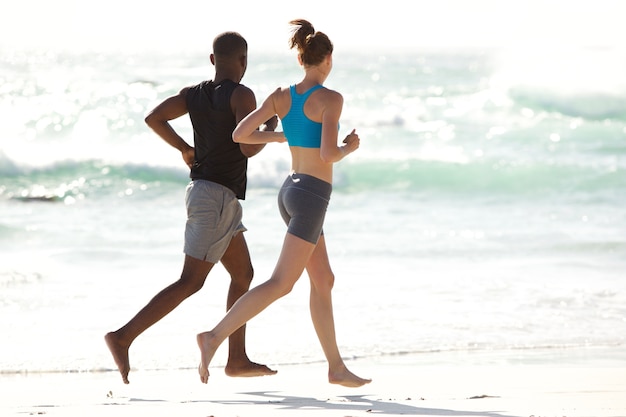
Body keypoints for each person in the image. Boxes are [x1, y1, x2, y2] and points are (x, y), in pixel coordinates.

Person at [196, 19, 371, 388]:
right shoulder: (331, 99)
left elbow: (239, 133)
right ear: (327, 59)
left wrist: (280, 136)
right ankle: (213, 336)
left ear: (302, 58)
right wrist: (349, 147)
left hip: (290, 191)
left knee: (323, 279)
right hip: (310, 196)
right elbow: (328, 154)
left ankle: (336, 368)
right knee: (280, 283)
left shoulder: (281, 95)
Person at [105, 31, 278, 384]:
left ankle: (237, 358)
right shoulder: (243, 94)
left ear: (213, 60)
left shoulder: (193, 95)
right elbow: (247, 148)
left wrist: (184, 149)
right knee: (190, 282)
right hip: (214, 199)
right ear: (243, 62)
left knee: (243, 275)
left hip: (215, 197)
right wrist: (269, 127)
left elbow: (154, 117)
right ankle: (122, 337)